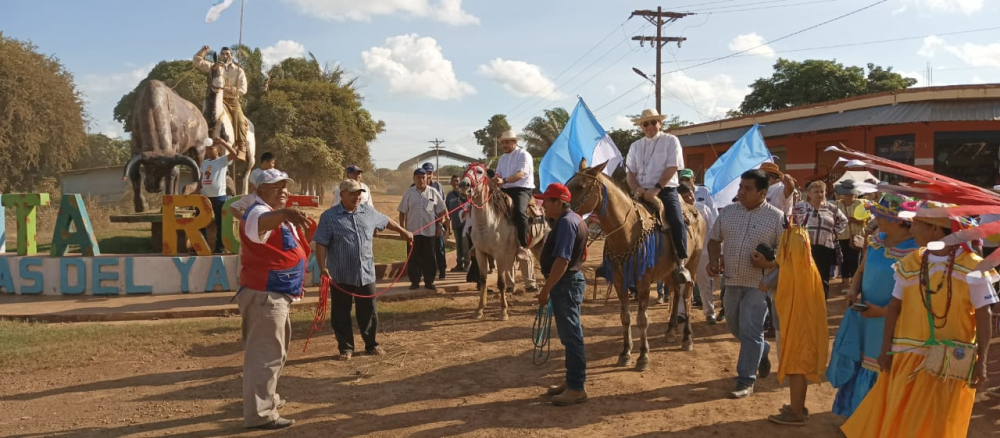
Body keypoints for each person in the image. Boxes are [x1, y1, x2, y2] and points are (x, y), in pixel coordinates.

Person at [841, 201, 997, 438]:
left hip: (949, 362)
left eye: (917, 223)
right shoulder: (911, 262)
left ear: (935, 229)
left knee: (937, 423)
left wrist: (982, 360)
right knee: (902, 422)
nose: (911, 228)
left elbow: (985, 314)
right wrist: (885, 350)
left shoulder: (973, 267)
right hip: (906, 357)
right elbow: (894, 308)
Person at [828, 194, 918, 417]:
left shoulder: (917, 250)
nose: (876, 217)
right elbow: (861, 271)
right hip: (865, 317)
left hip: (893, 323)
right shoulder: (877, 239)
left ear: (898, 219)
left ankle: (875, 422)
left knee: (881, 364)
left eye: (881, 214)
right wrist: (852, 290)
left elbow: (916, 297)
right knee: (863, 362)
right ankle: (857, 417)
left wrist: (884, 312)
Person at [235, 169, 311, 430]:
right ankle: (260, 415)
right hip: (265, 296)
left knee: (274, 353)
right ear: (258, 191)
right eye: (274, 186)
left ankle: (268, 400)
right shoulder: (258, 213)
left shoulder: (279, 215)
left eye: (284, 186)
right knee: (265, 356)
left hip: (275, 295)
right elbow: (262, 222)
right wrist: (284, 214)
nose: (283, 191)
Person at [707, 169, 786, 399]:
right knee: (735, 327)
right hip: (731, 281)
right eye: (740, 187)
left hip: (759, 285)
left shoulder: (776, 217)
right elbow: (714, 239)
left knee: (751, 331)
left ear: (762, 193)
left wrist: (769, 261)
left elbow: (786, 253)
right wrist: (713, 260)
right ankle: (763, 350)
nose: (741, 192)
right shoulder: (729, 212)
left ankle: (745, 380)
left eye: (747, 188)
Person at [314, 179, 412, 361]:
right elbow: (320, 243)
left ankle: (371, 344)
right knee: (341, 312)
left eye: (359, 193)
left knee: (368, 311)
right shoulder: (329, 217)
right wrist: (322, 267)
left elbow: (386, 220)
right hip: (340, 274)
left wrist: (403, 232)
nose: (357, 196)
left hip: (365, 273)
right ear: (342, 194)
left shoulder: (368, 212)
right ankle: (346, 348)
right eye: (352, 193)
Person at [764, 214, 831, 425]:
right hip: (797, 324)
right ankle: (797, 406)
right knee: (796, 364)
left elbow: (764, 284)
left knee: (795, 365)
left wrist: (769, 267)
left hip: (794, 326)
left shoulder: (791, 271)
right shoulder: (807, 269)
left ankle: (795, 412)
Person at [534, 183, 590, 406]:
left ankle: (576, 387)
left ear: (559, 202)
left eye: (547, 201)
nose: (543, 205)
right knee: (570, 336)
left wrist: (546, 289)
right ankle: (572, 382)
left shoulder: (566, 223)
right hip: (569, 283)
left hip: (565, 284)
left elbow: (562, 261)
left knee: (572, 337)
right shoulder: (574, 219)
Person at [626, 109, 690, 282]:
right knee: (620, 218)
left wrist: (656, 189)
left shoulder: (671, 141)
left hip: (665, 190)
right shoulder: (635, 146)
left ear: (660, 123)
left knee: (676, 220)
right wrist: (636, 189)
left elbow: (672, 167)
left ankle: (681, 262)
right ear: (641, 126)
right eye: (645, 123)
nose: (650, 126)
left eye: (654, 122)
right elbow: (630, 173)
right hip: (640, 191)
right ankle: (613, 261)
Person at [792, 180, 847, 298]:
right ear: (809, 193)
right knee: (804, 277)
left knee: (822, 279)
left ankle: (821, 306)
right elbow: (792, 222)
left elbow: (843, 221)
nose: (819, 194)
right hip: (803, 248)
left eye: (822, 191)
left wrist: (833, 233)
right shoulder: (800, 207)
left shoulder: (832, 208)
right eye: (816, 191)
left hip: (824, 248)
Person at [398, 168, 447, 291]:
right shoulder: (409, 193)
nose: (421, 180)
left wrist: (439, 226)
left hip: (429, 232)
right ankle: (415, 282)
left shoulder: (433, 192)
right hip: (412, 232)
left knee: (430, 257)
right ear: (414, 179)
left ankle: (429, 282)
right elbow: (402, 212)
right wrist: (402, 230)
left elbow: (442, 211)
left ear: (427, 178)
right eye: (418, 177)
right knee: (413, 257)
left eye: (424, 177)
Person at [193, 45, 248, 151]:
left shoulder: (238, 71)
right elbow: (196, 62)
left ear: (232, 55)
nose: (225, 56)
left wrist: (225, 88)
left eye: (227, 54)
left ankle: (242, 146)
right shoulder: (214, 66)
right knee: (199, 116)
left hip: (231, 100)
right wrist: (203, 51)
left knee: (240, 120)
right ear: (220, 55)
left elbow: (243, 90)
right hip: (213, 98)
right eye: (222, 54)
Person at [680, 183, 719, 323]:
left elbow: (714, 229)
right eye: (685, 197)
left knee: (705, 283)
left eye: (691, 194)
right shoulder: (677, 211)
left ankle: (709, 312)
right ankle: (681, 313)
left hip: (703, 252)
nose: (690, 198)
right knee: (682, 282)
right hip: (684, 253)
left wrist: (715, 253)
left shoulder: (704, 209)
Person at [494, 131, 535, 257]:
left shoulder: (524, 155)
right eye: (503, 143)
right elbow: (498, 174)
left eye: (507, 142)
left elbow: (521, 174)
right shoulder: (502, 158)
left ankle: (523, 245)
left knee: (519, 212)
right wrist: (495, 179)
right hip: (505, 189)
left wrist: (504, 180)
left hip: (521, 189)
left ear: (515, 142)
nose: (504, 145)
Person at [201, 138, 239, 253]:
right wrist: (198, 189)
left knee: (220, 222)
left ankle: (220, 247)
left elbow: (234, 154)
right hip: (204, 196)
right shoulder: (205, 163)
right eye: (207, 149)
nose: (208, 151)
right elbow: (202, 177)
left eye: (211, 148)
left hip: (218, 196)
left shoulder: (222, 161)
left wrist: (223, 142)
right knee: (200, 220)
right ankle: (200, 244)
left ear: (218, 150)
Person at [836, 180, 867, 288]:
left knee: (854, 260)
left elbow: (866, 220)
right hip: (841, 236)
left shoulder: (860, 204)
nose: (847, 195)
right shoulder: (838, 204)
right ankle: (845, 281)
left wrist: (853, 220)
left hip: (856, 235)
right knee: (843, 259)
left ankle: (854, 282)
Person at [423, 163, 448, 279]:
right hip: (423, 223)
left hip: (436, 221)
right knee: (426, 250)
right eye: (426, 173)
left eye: (430, 173)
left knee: (439, 248)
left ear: (433, 174)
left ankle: (442, 271)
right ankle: (428, 273)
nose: (428, 175)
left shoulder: (437, 186)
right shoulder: (415, 186)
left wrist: (439, 225)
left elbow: (442, 208)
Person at [446, 175, 469, 272]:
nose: (456, 183)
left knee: (465, 244)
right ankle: (459, 264)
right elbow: (447, 210)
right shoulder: (449, 196)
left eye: (458, 181)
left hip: (465, 223)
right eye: (454, 181)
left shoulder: (465, 194)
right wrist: (448, 224)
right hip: (455, 223)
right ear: (451, 183)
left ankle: (467, 264)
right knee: (458, 244)